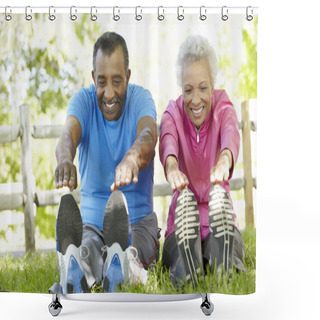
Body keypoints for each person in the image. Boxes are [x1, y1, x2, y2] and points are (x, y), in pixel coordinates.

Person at [50, 31, 160, 294]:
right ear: (93, 79)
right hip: (91, 224)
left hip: (139, 223)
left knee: (131, 252)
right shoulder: (83, 101)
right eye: (102, 82)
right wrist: (65, 159)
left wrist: (133, 156)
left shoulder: (141, 99)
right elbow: (68, 134)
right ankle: (78, 268)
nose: (109, 94)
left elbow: (148, 136)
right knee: (87, 248)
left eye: (117, 81)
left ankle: (121, 264)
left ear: (128, 77)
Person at [159, 34, 246, 288]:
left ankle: (220, 259)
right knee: (185, 248)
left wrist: (224, 158)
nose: (195, 99)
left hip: (219, 219)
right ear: (181, 89)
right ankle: (190, 263)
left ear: (213, 84)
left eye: (203, 88)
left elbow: (231, 131)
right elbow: (167, 137)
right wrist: (172, 165)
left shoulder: (223, 107)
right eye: (188, 90)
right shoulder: (173, 112)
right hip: (182, 225)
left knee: (224, 245)